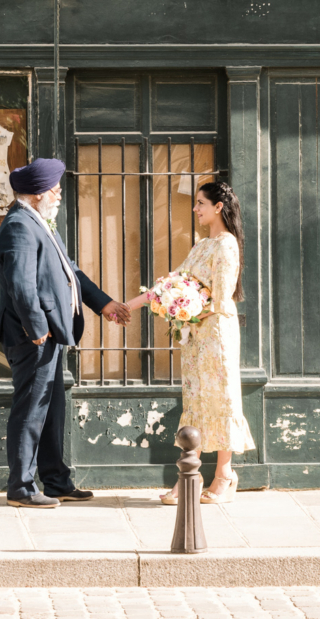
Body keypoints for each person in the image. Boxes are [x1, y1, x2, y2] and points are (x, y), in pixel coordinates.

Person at [0, 156, 131, 508]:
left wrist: (103, 303)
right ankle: (21, 488)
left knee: (51, 409)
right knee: (30, 410)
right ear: (38, 193)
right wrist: (37, 328)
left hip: (51, 333)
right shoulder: (19, 226)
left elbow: (71, 273)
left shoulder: (41, 223)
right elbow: (20, 285)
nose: (58, 194)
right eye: (54, 188)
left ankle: (55, 481)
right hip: (33, 336)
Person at [124, 179, 254, 504]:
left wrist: (187, 310)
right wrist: (129, 305)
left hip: (217, 335)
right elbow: (172, 282)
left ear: (218, 207)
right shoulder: (201, 245)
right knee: (196, 402)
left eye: (200, 203)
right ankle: (189, 478)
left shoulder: (226, 245)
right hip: (195, 335)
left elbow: (222, 301)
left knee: (221, 400)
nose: (195, 209)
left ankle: (224, 475)